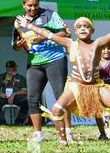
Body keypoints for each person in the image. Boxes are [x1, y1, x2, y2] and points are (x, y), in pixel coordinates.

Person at [16, 16, 110, 146]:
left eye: (86, 26)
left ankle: (104, 133)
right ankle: (63, 142)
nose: (83, 29)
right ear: (75, 31)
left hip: (96, 86)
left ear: (92, 30)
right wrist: (29, 25)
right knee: (57, 109)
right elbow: (47, 34)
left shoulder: (98, 43)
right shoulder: (69, 43)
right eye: (79, 27)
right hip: (76, 86)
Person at [12, 0, 72, 143]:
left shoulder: (49, 15)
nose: (33, 8)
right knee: (32, 98)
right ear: (23, 5)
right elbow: (15, 45)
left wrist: (45, 37)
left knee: (61, 96)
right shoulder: (18, 22)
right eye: (29, 5)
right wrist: (18, 45)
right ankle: (38, 134)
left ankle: (68, 131)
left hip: (55, 59)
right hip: (34, 63)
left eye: (35, 5)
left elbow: (65, 33)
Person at [0, 60, 28, 124]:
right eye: (8, 70)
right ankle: (1, 120)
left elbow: (25, 91)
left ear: (15, 68)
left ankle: (19, 121)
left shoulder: (21, 78)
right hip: (3, 98)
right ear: (6, 69)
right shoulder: (0, 77)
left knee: (27, 100)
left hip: (16, 98)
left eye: (12, 69)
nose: (10, 72)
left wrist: (14, 94)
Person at [96, 43, 110, 140]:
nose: (106, 51)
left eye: (109, 49)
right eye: (103, 49)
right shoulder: (95, 63)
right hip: (98, 90)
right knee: (97, 111)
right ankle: (102, 133)